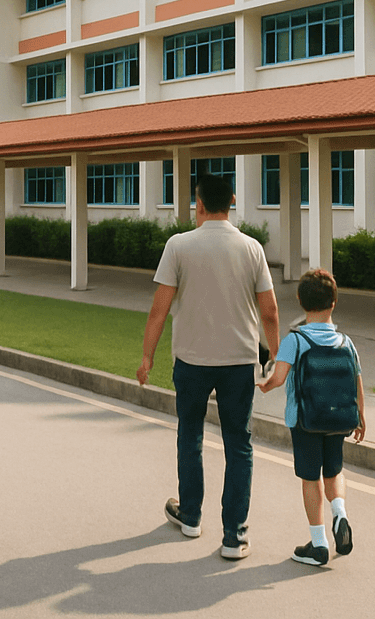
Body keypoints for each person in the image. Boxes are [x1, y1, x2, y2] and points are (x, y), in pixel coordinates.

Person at [138, 171, 279, 560]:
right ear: (232, 200)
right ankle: (234, 536)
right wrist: (277, 358)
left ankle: (192, 517)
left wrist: (148, 356)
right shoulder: (252, 248)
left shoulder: (178, 246)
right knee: (239, 445)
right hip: (239, 363)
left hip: (192, 362)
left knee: (190, 436)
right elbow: (269, 310)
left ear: (198, 204)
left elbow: (158, 309)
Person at [257, 268, 366, 566]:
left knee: (310, 478)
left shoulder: (296, 340)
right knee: (334, 472)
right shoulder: (346, 341)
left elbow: (278, 378)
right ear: (334, 302)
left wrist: (264, 385)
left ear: (300, 302)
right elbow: (357, 382)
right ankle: (340, 514)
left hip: (305, 421)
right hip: (340, 420)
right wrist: (360, 416)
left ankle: (318, 544)